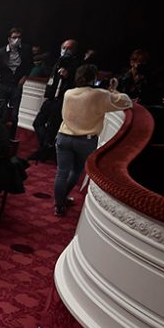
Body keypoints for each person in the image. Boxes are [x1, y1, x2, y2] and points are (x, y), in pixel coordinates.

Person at [53, 65, 132, 216]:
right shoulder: (99, 95)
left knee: (61, 172)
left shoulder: (69, 93)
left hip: (63, 136)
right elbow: (126, 102)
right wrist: (113, 90)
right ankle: (61, 200)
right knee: (76, 171)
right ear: (94, 78)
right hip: (85, 141)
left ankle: (58, 204)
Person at [31, 39, 80, 161]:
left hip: (62, 100)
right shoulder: (59, 61)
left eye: (68, 48)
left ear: (73, 51)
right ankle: (47, 147)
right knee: (38, 123)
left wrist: (68, 75)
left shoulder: (75, 65)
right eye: (64, 47)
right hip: (51, 98)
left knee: (52, 128)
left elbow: (76, 83)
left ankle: (43, 152)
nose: (65, 50)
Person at [0, 27, 32, 132]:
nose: (17, 40)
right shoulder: (1, 52)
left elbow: (30, 65)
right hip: (4, 84)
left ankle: (12, 137)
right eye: (14, 37)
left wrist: (24, 78)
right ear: (9, 39)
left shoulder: (26, 50)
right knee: (1, 112)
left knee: (14, 114)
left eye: (19, 37)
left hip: (17, 85)